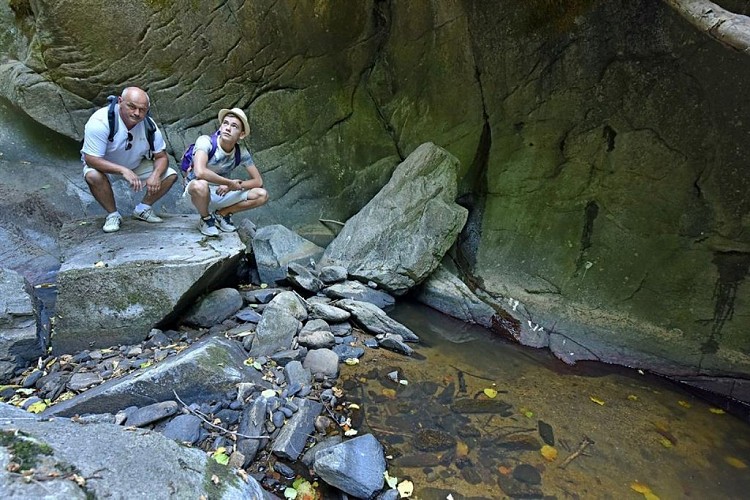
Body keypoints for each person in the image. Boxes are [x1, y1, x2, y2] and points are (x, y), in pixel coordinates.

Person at [81, 87, 178, 233]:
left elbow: (161, 156)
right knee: (92, 175)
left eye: (142, 109)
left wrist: (155, 175)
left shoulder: (149, 126)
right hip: (104, 166)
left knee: (169, 175)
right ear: (120, 102)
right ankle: (113, 214)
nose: (137, 113)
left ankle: (143, 209)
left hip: (135, 164)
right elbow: (90, 159)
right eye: (131, 107)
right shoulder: (100, 121)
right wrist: (123, 170)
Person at [184, 108, 268, 236]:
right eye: (225, 123)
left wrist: (234, 186)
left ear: (241, 134)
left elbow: (258, 181)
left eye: (234, 126)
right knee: (200, 184)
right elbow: (200, 172)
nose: (228, 128)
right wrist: (229, 183)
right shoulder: (205, 141)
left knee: (262, 195)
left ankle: (221, 214)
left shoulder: (241, 152)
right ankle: (206, 219)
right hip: (195, 194)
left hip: (220, 192)